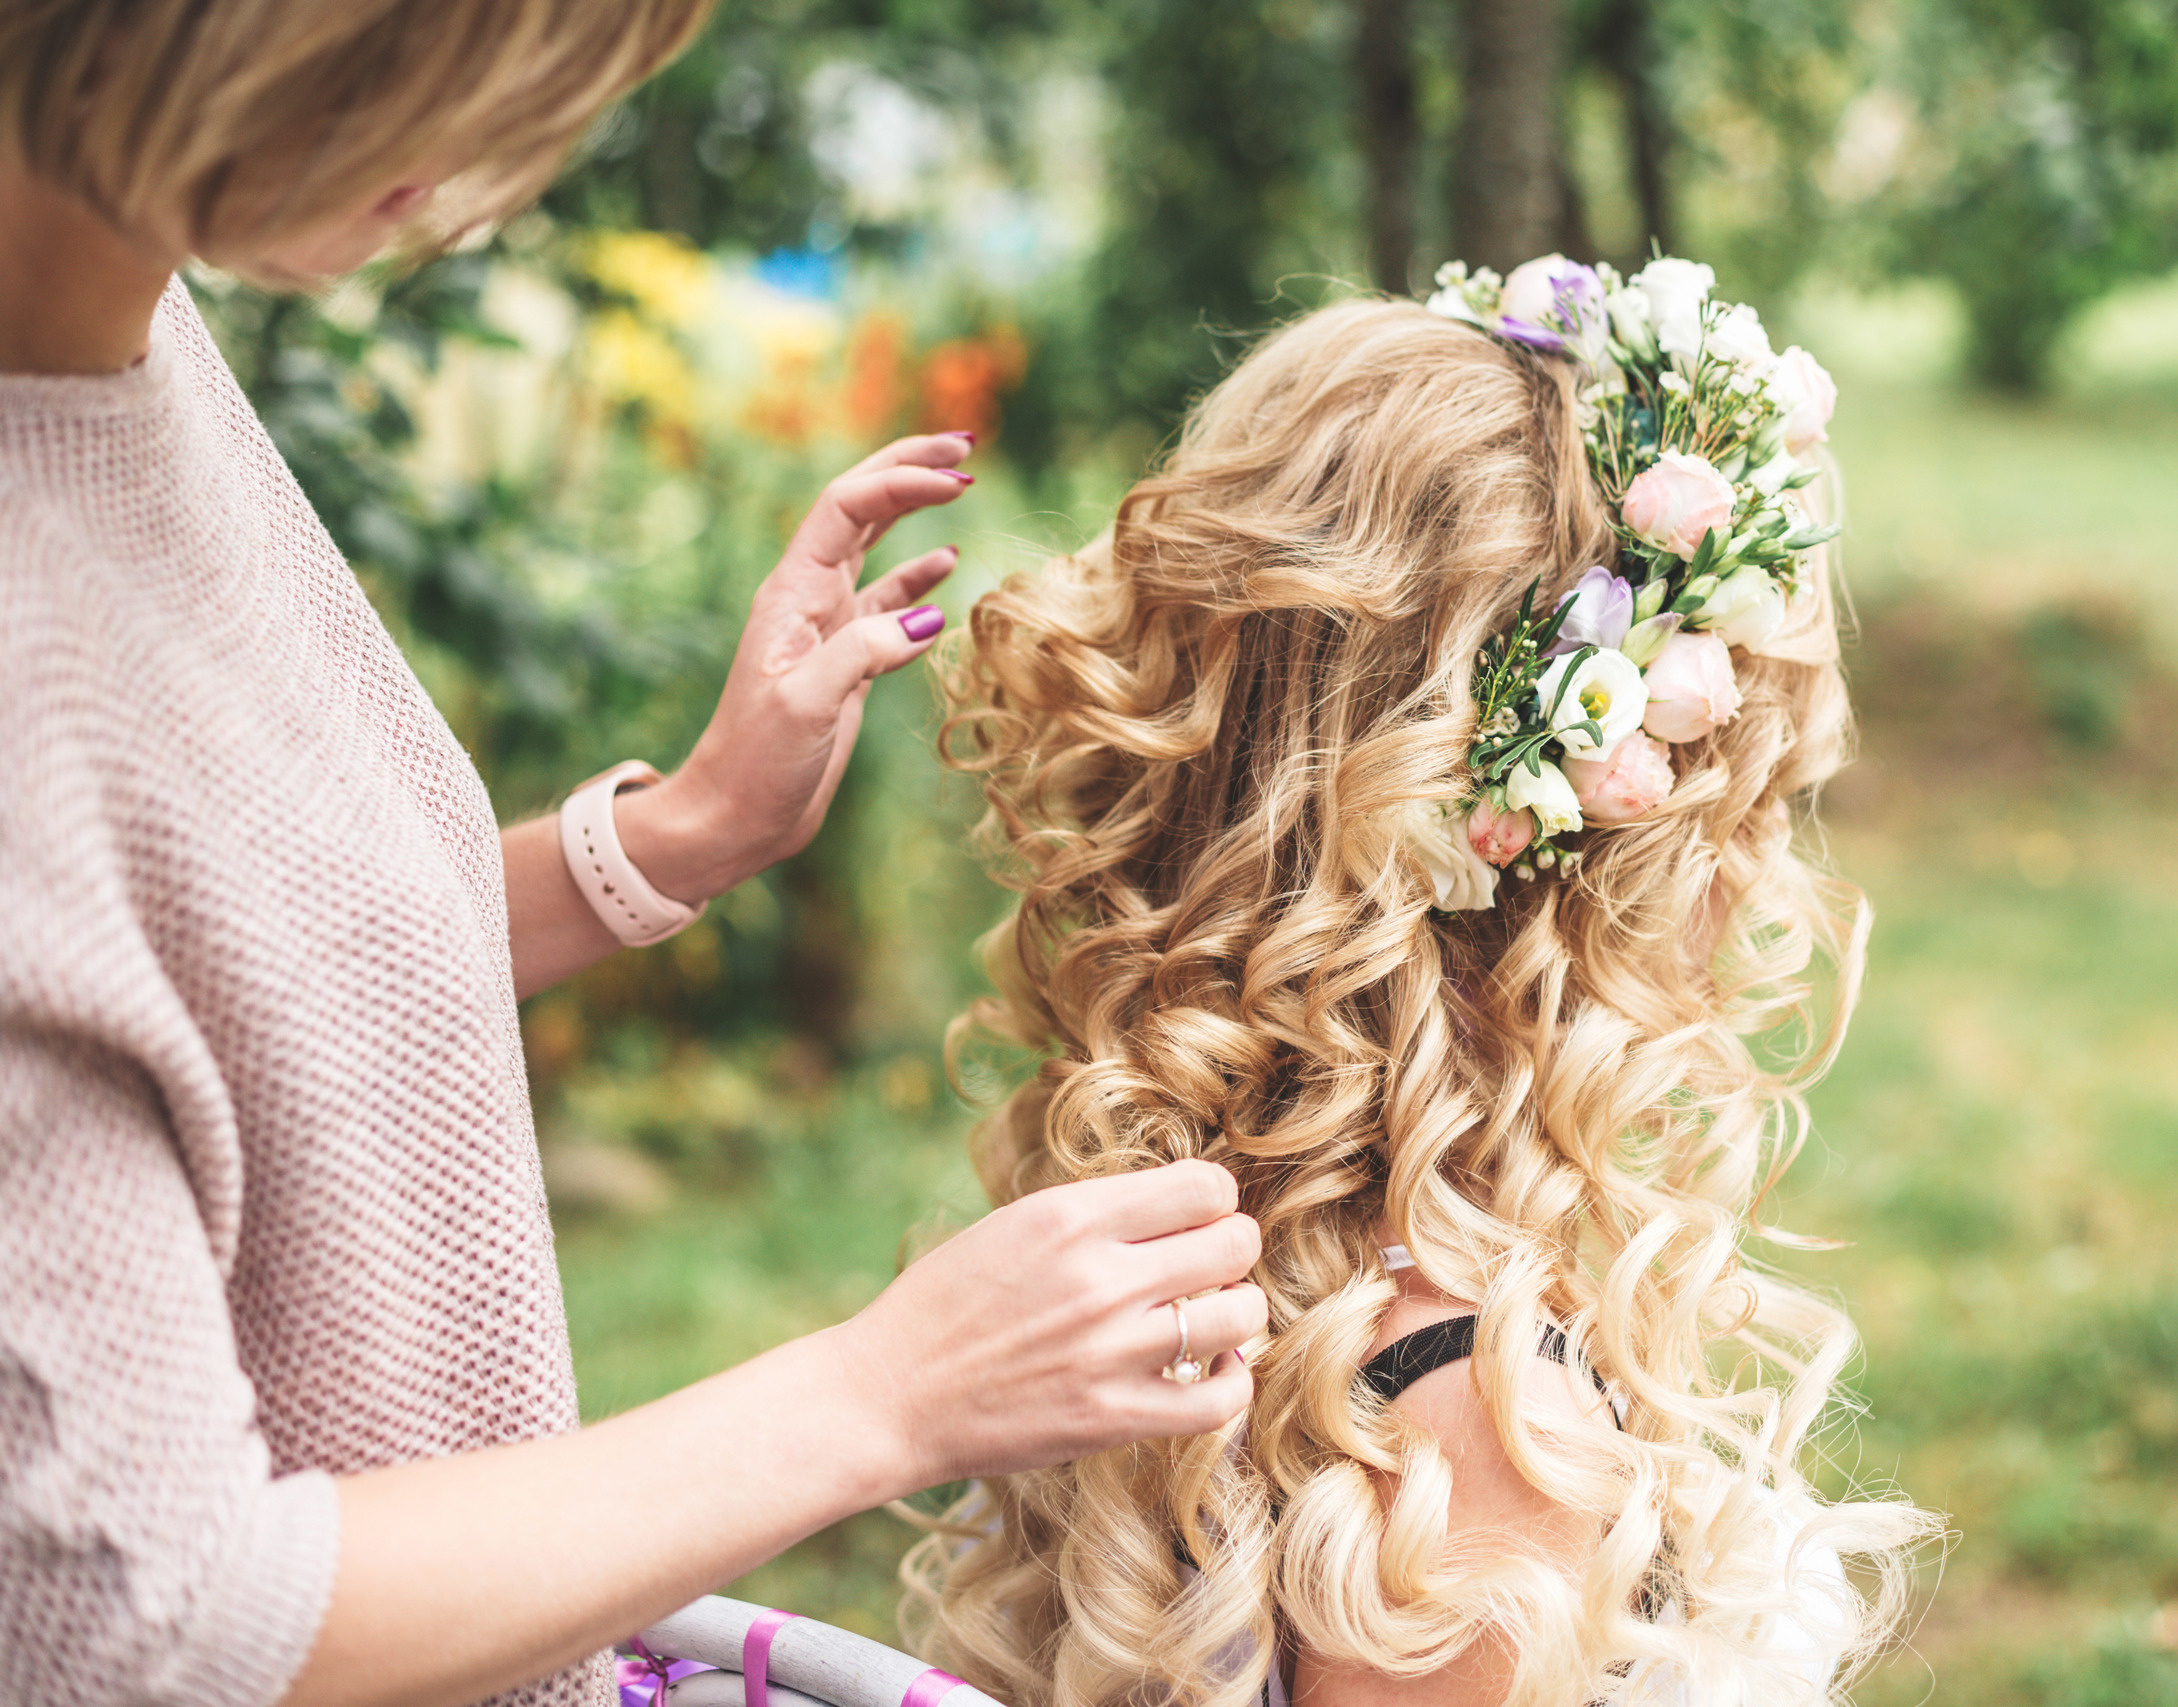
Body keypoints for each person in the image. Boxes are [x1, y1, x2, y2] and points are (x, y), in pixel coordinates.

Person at [0, 4, 1268, 1705]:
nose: (510, 158)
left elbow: (207, 980)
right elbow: (140, 1627)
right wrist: (881, 1398)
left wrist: (672, 836)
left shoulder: (117, 326)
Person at [908, 274, 1933, 1707]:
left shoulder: (1172, 1242)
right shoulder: (1470, 1420)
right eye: (1749, 797)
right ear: (1600, 855)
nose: (1760, 862)